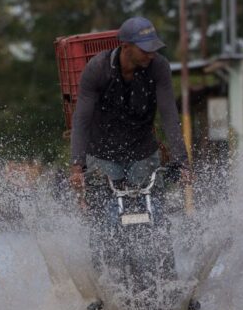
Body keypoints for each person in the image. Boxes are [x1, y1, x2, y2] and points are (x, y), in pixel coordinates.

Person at [68, 16, 191, 197]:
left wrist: (183, 163)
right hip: (103, 153)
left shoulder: (158, 66)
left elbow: (169, 116)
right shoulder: (97, 69)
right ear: (126, 47)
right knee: (105, 213)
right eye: (145, 50)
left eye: (153, 49)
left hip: (142, 151)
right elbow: (81, 119)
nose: (150, 54)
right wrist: (77, 166)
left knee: (152, 207)